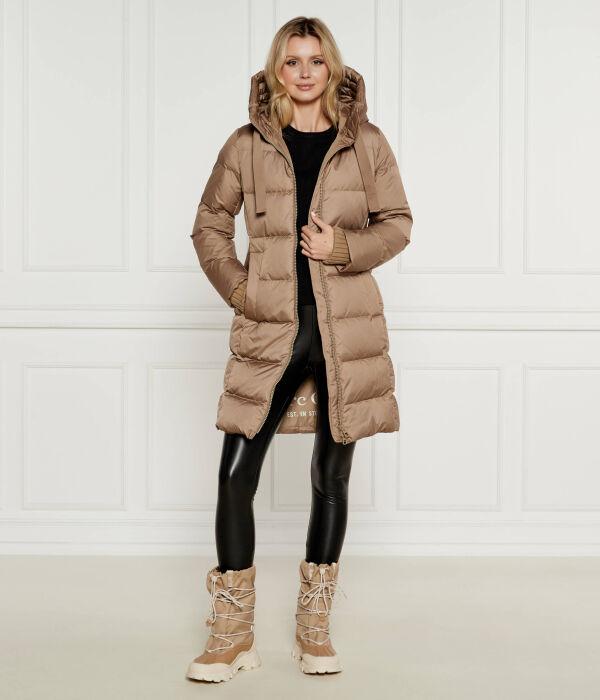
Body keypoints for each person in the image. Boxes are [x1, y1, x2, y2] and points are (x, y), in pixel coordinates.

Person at [186, 15, 412, 683]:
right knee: (235, 475)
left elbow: (398, 224)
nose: (305, 72)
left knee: (330, 478)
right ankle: (232, 634)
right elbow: (209, 224)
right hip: (272, 331)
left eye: (316, 60)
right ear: (277, 70)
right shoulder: (247, 144)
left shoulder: (366, 143)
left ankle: (314, 630)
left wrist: (342, 248)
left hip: (344, 331)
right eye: (292, 61)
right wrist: (241, 289)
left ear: (331, 66)